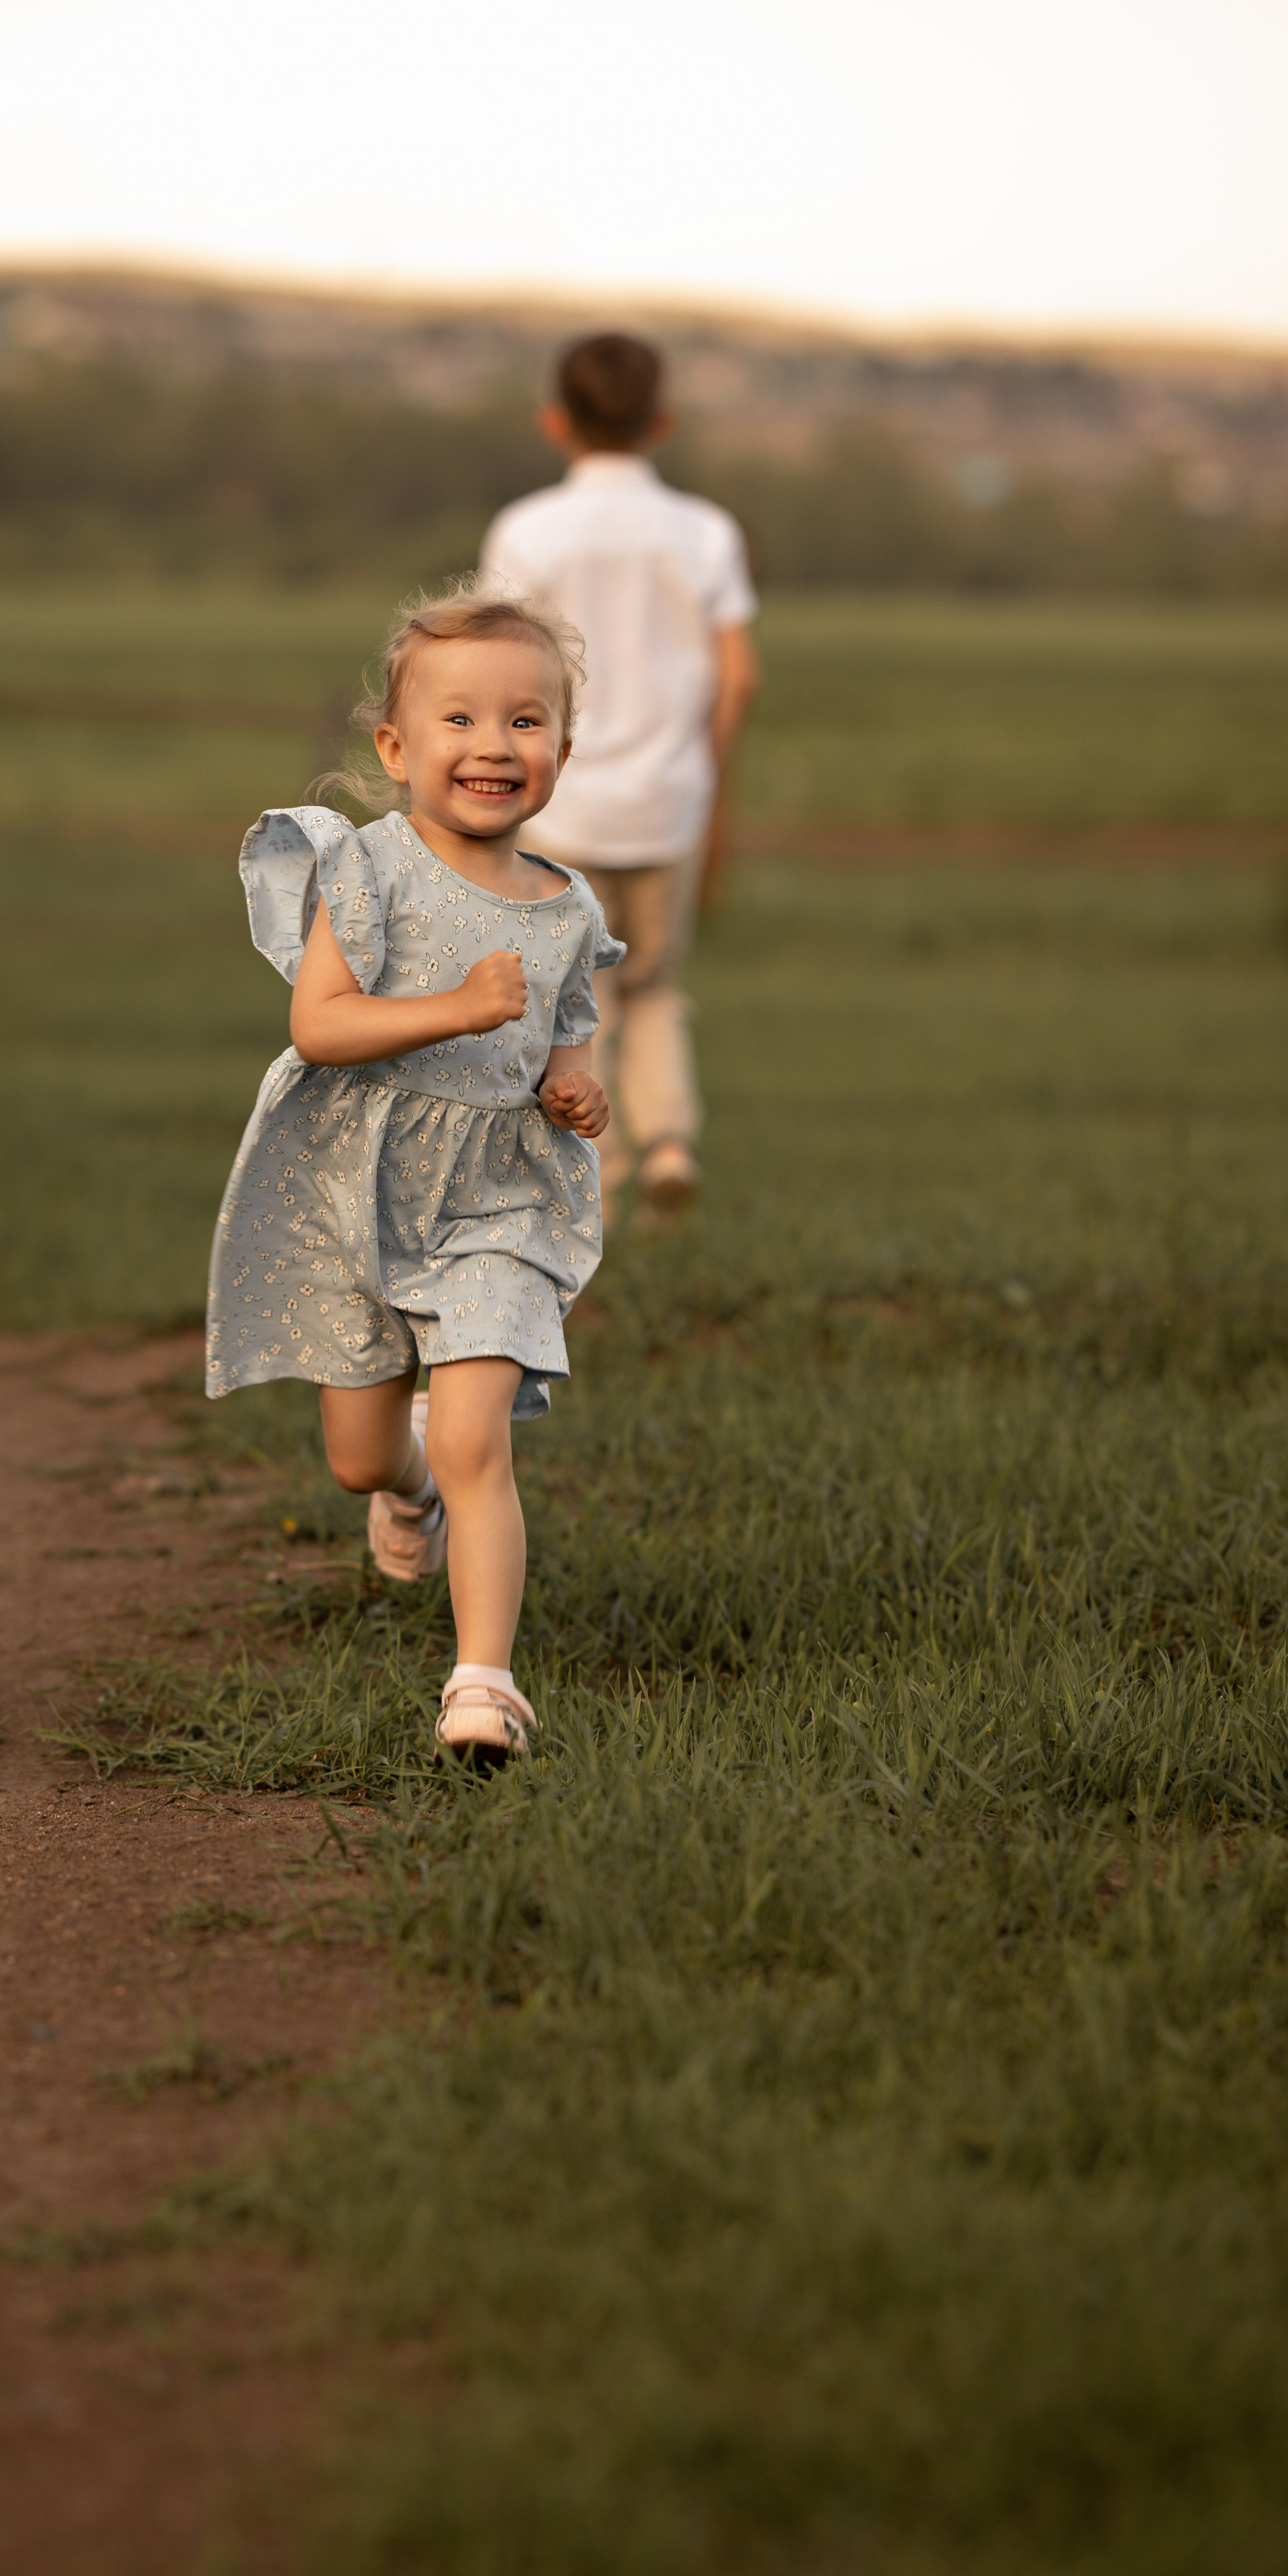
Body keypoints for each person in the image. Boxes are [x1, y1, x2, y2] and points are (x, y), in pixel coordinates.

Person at [206, 583, 621, 1764]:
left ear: (562, 753)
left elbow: (567, 1034)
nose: (494, 744)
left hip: (499, 1201)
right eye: (461, 719)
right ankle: (411, 1486)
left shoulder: (568, 906)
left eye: (526, 721)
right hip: (359, 1191)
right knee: (360, 1459)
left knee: (479, 1438)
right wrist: (457, 1005)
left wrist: (575, 1089)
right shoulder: (369, 869)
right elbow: (321, 1023)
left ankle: (484, 1687)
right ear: (395, 748)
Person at [479, 330, 759, 1215]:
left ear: (555, 421)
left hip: (560, 808)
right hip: (670, 804)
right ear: (661, 421)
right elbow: (739, 676)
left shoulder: (525, 530)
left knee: (575, 997)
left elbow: (498, 669)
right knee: (655, 985)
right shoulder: (706, 532)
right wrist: (704, 773)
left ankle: (598, 1170)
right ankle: (669, 1140)